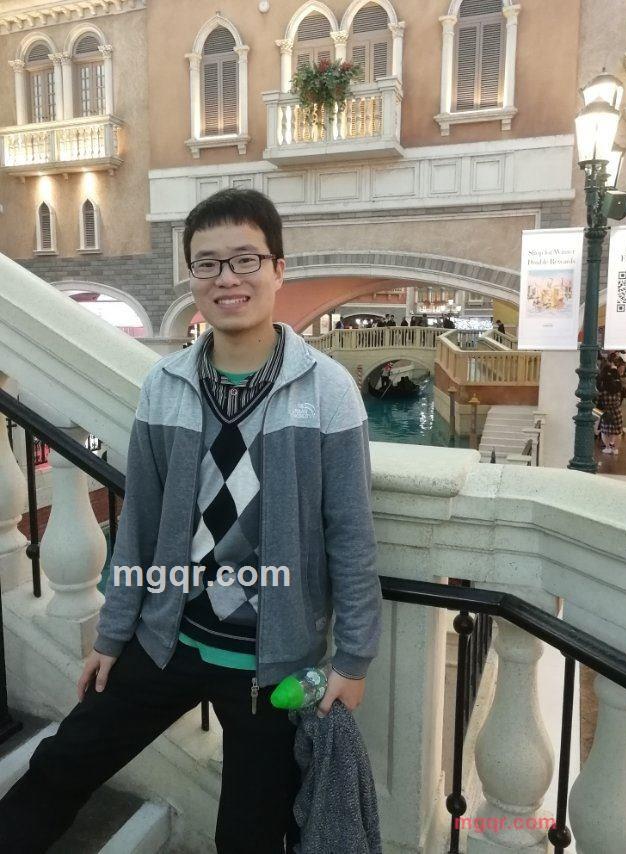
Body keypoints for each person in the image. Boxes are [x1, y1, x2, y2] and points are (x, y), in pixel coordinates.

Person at [0, 189, 382, 854]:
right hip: (166, 639)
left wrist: (353, 658)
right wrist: (112, 634)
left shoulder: (327, 390)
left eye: (245, 259)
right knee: (61, 763)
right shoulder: (166, 384)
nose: (227, 278)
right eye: (208, 264)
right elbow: (141, 525)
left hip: (269, 666)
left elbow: (349, 532)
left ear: (278, 269)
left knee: (248, 835)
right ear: (193, 278)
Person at [597, 363, 625, 455]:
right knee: (618, 432)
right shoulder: (618, 386)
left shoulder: (602, 389)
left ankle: (607, 448)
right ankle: (615, 449)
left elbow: (599, 402)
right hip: (617, 411)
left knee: (605, 432)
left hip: (606, 413)